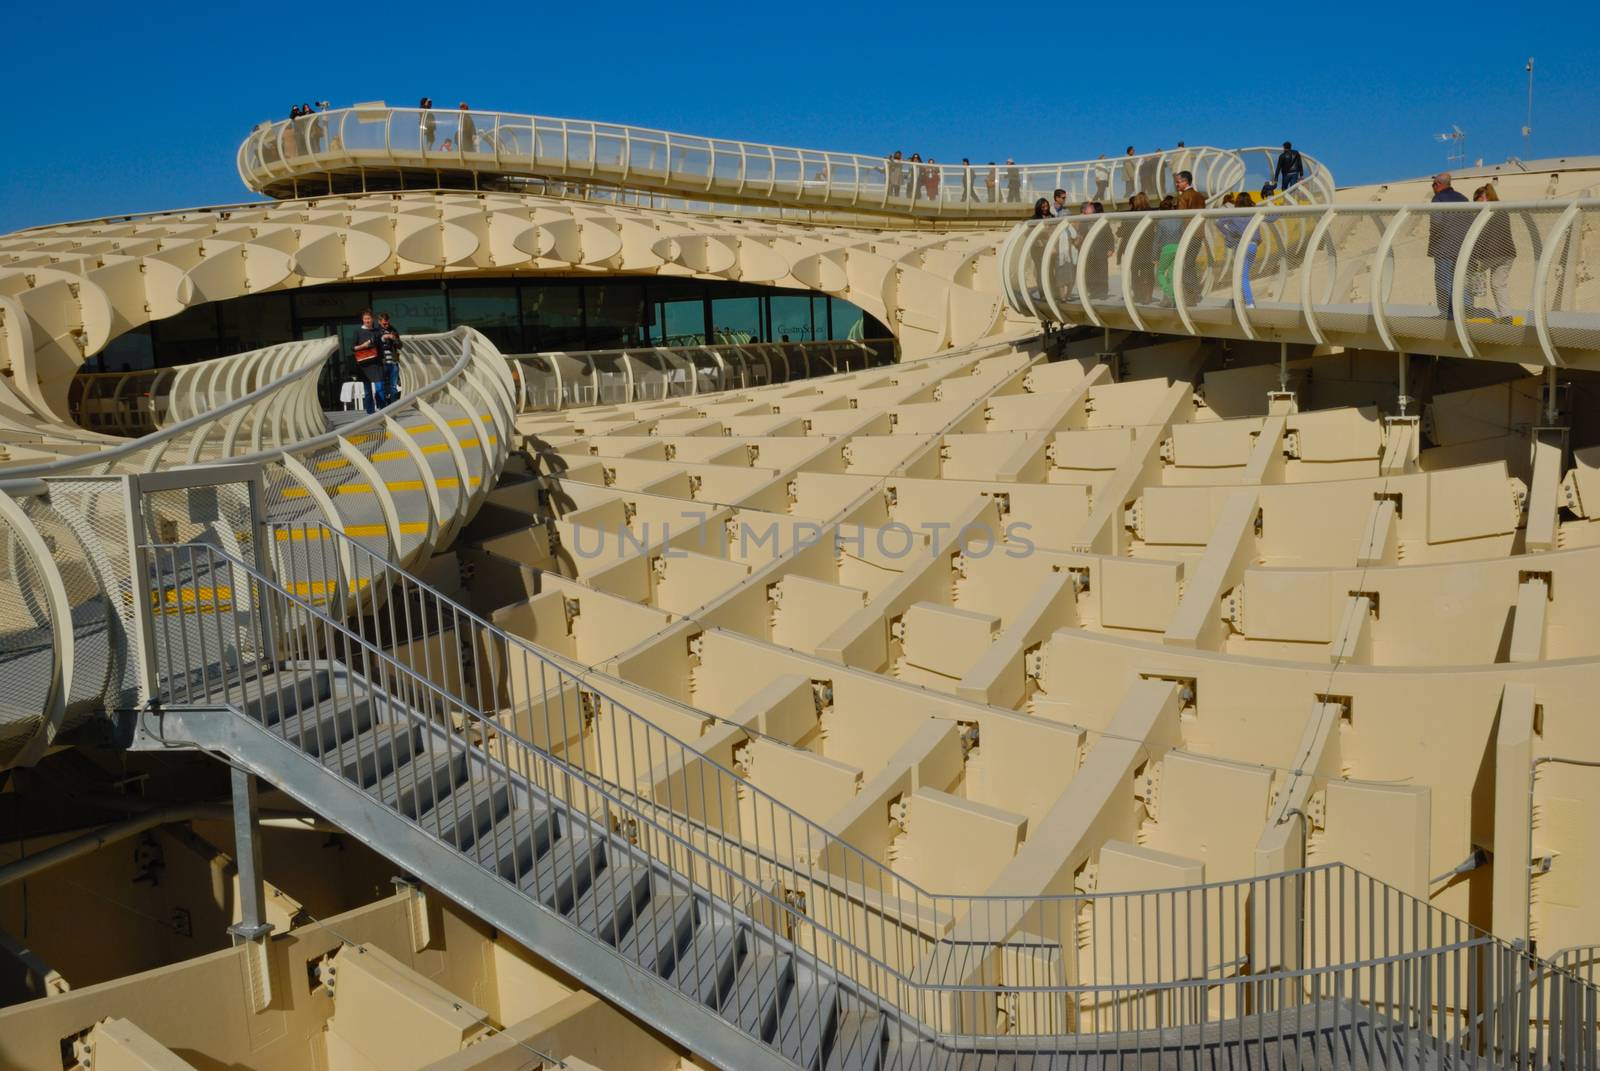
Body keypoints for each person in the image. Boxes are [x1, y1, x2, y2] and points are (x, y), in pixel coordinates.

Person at [1428, 172, 1470, 317]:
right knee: (1461, 280)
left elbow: (1436, 222)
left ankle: (1447, 314)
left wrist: (1433, 241)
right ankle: (1465, 311)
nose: (1433, 188)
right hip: (1464, 247)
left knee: (1443, 280)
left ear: (1438, 184)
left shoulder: (1438, 198)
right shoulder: (1463, 199)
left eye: (1433, 185)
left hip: (1444, 247)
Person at [1471, 184, 1515, 321]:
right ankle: (1506, 316)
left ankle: (1466, 308)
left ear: (1484, 197)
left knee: (1466, 275)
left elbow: (1480, 236)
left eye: (1477, 198)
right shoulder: (1502, 210)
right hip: (1508, 253)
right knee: (1498, 284)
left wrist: (1473, 256)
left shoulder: (1485, 211)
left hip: (1489, 253)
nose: (1476, 202)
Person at [351, 310, 386, 414]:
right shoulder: (357, 331)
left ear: (372, 319)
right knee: (367, 391)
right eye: (365, 318)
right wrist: (364, 346)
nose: (367, 320)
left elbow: (380, 347)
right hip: (364, 364)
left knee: (380, 388)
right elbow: (353, 348)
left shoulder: (377, 331)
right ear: (363, 319)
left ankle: (382, 410)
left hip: (376, 363)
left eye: (369, 318)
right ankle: (370, 412)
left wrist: (383, 359)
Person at [1154, 194, 1183, 305]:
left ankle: (1169, 293)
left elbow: (1157, 240)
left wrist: (1154, 256)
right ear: (1172, 207)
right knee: (1171, 274)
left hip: (1166, 249)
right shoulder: (1179, 220)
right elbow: (1182, 235)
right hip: (1178, 248)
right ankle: (1173, 300)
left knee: (1160, 272)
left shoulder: (1160, 222)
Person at [377, 312, 404, 407]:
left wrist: (394, 339)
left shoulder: (393, 330)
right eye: (384, 323)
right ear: (379, 322)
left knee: (393, 386)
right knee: (381, 386)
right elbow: (375, 344)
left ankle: (393, 407)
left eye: (387, 323)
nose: (386, 325)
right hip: (382, 362)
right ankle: (383, 407)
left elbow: (400, 345)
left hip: (393, 362)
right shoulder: (376, 331)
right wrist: (384, 337)